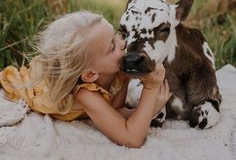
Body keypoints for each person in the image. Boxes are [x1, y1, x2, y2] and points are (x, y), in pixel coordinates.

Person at [0, 11, 171, 148]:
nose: (122, 43)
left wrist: (148, 108)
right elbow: (132, 138)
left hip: (73, 74)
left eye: (116, 35)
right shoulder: (84, 94)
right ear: (90, 75)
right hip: (37, 88)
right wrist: (150, 89)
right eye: (112, 46)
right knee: (20, 79)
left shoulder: (116, 71)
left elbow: (114, 112)